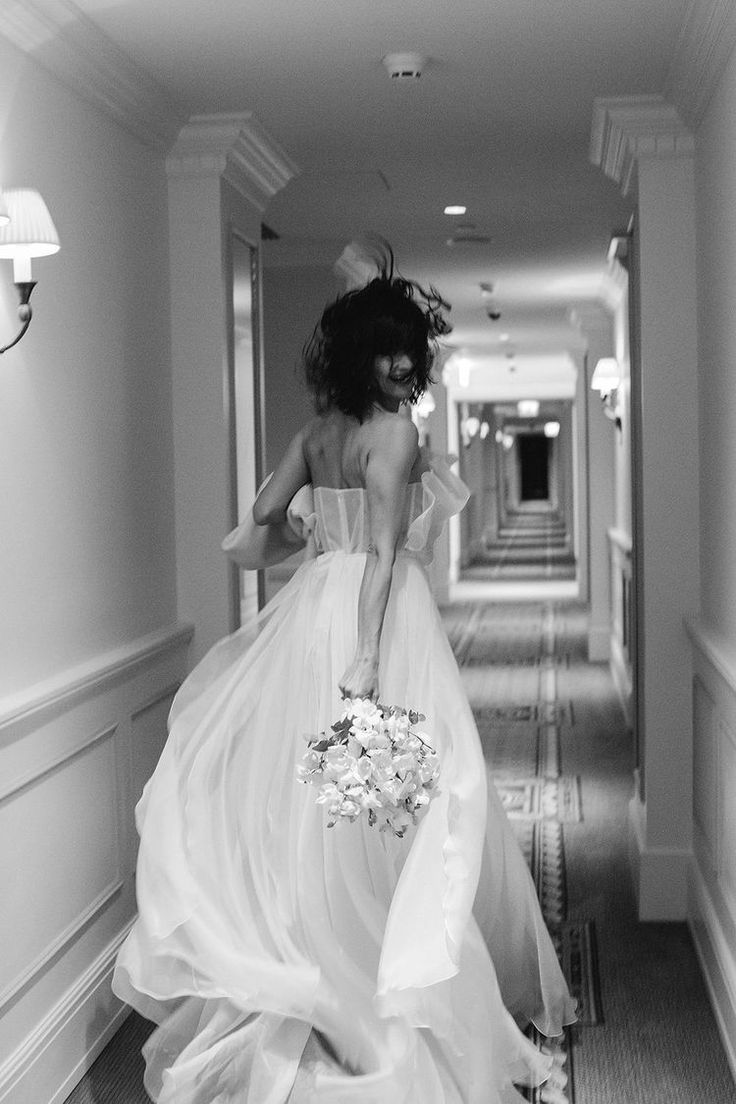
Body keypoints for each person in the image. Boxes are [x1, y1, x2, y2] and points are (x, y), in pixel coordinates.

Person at [112, 259, 576, 1103]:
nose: (405, 368)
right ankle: (388, 979)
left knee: (326, 812)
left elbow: (261, 519)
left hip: (307, 614)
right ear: (366, 353)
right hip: (375, 618)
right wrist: (367, 657)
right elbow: (388, 554)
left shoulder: (316, 431)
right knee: (408, 802)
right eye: (393, 353)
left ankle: (335, 968)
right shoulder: (392, 434)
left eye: (411, 353)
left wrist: (303, 518)